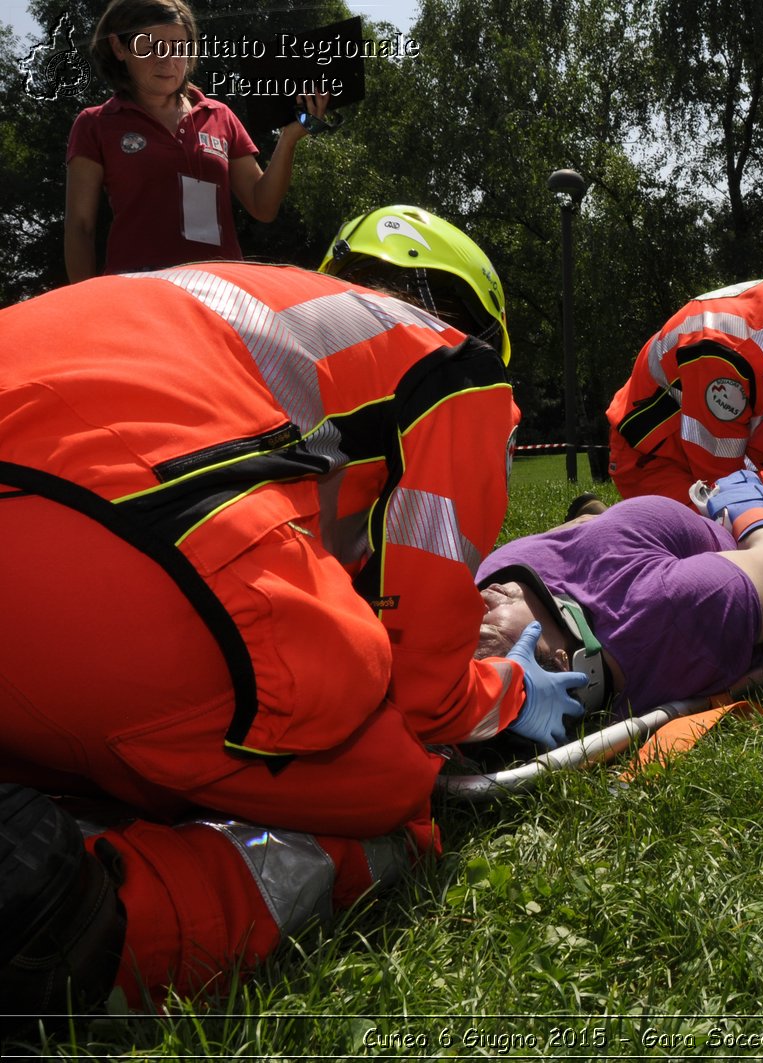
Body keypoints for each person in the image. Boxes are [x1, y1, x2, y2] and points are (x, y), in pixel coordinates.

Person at [0, 207, 571, 1018]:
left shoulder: (240, 313)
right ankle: (86, 930)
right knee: (393, 791)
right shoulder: (461, 369)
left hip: (66, 544)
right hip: (132, 544)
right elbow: (424, 692)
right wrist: (506, 692)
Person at [471, 471, 763, 755]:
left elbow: (569, 534)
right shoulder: (669, 614)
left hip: (705, 541)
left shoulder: (495, 579)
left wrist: (593, 522)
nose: (478, 606)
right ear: (562, 664)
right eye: (490, 626)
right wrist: (752, 505)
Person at [64, 0, 330, 282]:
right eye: (150, 45)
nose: (167, 59)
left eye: (179, 46)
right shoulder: (95, 123)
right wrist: (88, 309)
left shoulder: (220, 115)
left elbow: (263, 207)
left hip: (220, 290)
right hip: (139, 293)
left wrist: (288, 139)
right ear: (119, 48)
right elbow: (80, 227)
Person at [604, 278, 763, 507]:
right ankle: (591, 520)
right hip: (653, 461)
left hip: (730, 459)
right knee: (733, 539)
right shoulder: (725, 358)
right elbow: (719, 482)